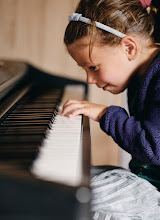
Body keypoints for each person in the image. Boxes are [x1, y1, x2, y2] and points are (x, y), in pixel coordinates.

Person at [61, 0, 160, 219]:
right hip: (147, 183)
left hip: (156, 196)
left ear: (129, 47)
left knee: (68, 197)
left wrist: (105, 113)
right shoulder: (141, 74)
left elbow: (154, 147)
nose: (89, 79)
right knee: (66, 181)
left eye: (93, 67)